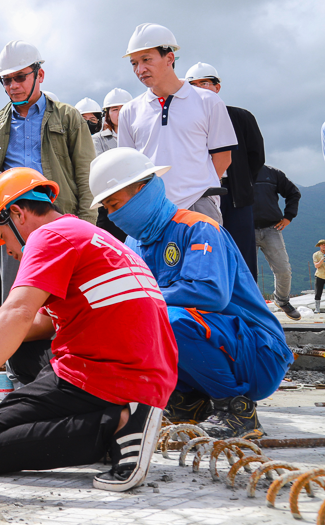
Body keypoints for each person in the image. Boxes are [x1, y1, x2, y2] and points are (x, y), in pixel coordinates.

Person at [0, 168, 177, 492]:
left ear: (17, 214)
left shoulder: (48, 236)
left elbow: (19, 312)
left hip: (109, 372)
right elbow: (41, 322)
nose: (7, 249)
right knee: (24, 357)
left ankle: (119, 426)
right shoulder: (83, 233)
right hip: (144, 372)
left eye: (3, 236)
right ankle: (116, 417)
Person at [93, 148, 292, 437]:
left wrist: (138, 296)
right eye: (108, 209)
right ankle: (187, 401)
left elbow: (210, 294)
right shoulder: (135, 243)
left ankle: (236, 410)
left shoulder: (198, 228)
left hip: (258, 355)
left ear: (144, 190)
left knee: (168, 320)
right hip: (210, 351)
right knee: (127, 321)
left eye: (115, 204)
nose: (113, 215)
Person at [0, 40, 96, 385]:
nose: (13, 86)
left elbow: (84, 174)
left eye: (19, 77)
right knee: (16, 301)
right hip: (14, 228)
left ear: (38, 74)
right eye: (6, 81)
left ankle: (69, 369)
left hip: (60, 224)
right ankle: (18, 371)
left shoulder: (69, 117)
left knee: (66, 300)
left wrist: (86, 227)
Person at [117, 24, 236, 223]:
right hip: (151, 209)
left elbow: (223, 157)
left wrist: (198, 191)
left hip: (199, 205)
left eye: (146, 59)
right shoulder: (129, 111)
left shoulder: (208, 101)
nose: (140, 69)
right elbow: (129, 167)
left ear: (169, 58)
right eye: (134, 63)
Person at [185, 62, 264, 278]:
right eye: (193, 85)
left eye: (205, 83)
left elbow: (256, 157)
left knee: (242, 252)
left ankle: (247, 308)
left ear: (217, 87)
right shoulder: (182, 120)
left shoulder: (240, 117)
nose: (200, 88)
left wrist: (243, 182)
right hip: (199, 195)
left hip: (235, 194)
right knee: (204, 251)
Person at [253, 165, 301, 320]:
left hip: (272, 228)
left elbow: (294, 193)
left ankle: (282, 300)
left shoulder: (273, 174)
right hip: (245, 230)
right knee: (248, 273)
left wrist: (288, 217)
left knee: (283, 269)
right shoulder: (235, 171)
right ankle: (252, 306)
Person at [92, 88, 133, 242]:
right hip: (110, 203)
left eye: (124, 108)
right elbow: (102, 167)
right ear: (107, 114)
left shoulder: (142, 134)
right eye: (115, 109)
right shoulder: (97, 140)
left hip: (136, 199)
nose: (120, 113)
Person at [314, 240, 325, 314]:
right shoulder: (316, 254)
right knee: (318, 292)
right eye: (322, 245)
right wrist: (322, 260)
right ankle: (317, 309)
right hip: (320, 275)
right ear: (319, 246)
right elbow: (316, 265)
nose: (324, 246)